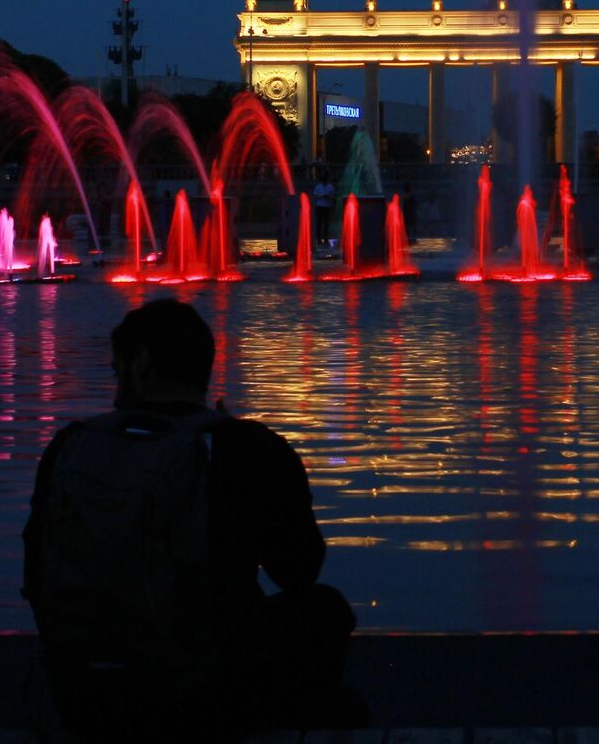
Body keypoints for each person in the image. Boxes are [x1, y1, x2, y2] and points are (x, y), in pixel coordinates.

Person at [24, 299, 356, 738]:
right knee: (324, 609)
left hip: (87, 693)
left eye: (116, 372)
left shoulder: (69, 446)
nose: (116, 387)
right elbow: (299, 571)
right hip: (204, 695)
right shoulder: (248, 447)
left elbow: (35, 577)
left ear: (140, 365)